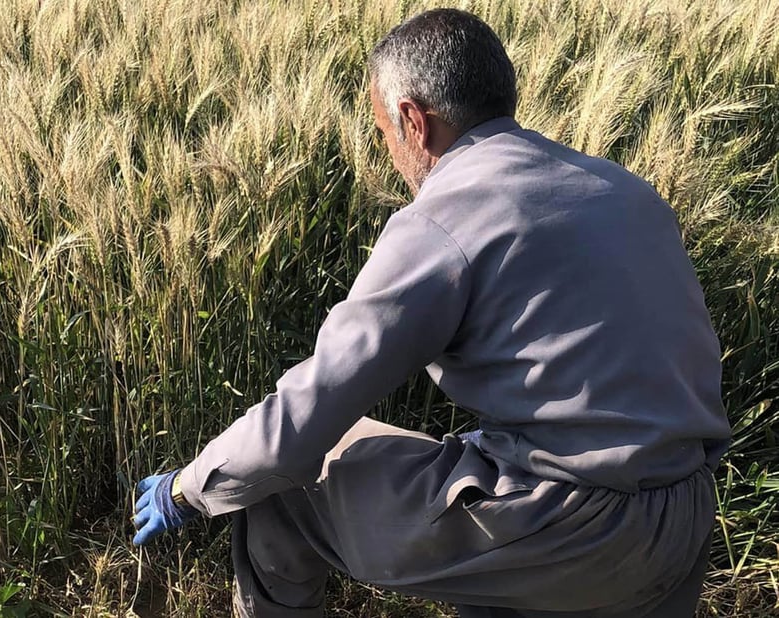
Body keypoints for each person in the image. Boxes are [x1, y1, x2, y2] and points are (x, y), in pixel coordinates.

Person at [130, 8, 731, 618]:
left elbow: (310, 410)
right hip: (685, 515)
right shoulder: (625, 188)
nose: (389, 153)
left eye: (383, 132)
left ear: (414, 120)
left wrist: (189, 486)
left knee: (280, 490)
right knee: (483, 517)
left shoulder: (447, 216)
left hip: (572, 528)